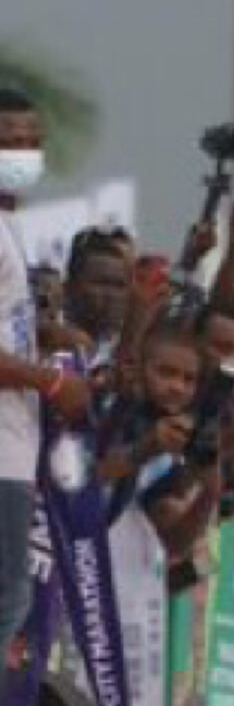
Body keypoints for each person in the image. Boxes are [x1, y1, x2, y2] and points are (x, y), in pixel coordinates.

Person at [0, 91, 90, 669]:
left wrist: (45, 339)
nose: (24, 152)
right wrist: (51, 383)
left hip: (14, 449)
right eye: (11, 140)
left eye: (32, 142)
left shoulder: (10, 226)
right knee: (7, 600)